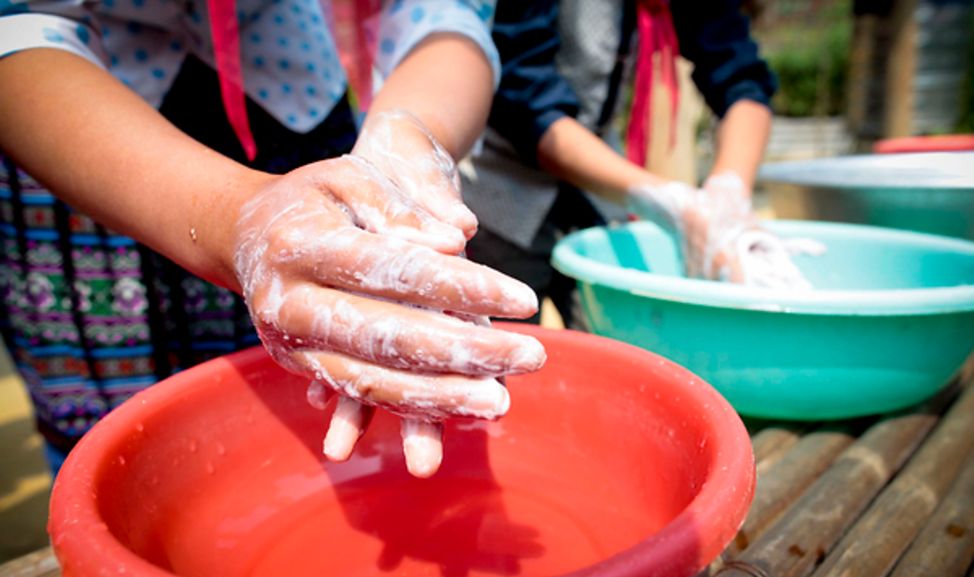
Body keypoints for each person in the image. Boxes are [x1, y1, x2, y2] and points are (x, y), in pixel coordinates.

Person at [0, 0, 546, 479]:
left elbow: (445, 13)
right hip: (86, 142)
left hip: (303, 117)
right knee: (120, 459)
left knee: (316, 438)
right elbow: (19, 26)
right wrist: (238, 219)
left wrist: (411, 143)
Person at [460, 0, 814, 328]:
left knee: (612, 354)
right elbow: (525, 99)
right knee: (503, 356)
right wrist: (675, 204)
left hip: (596, 193)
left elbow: (740, 76)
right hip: (502, 193)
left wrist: (728, 196)